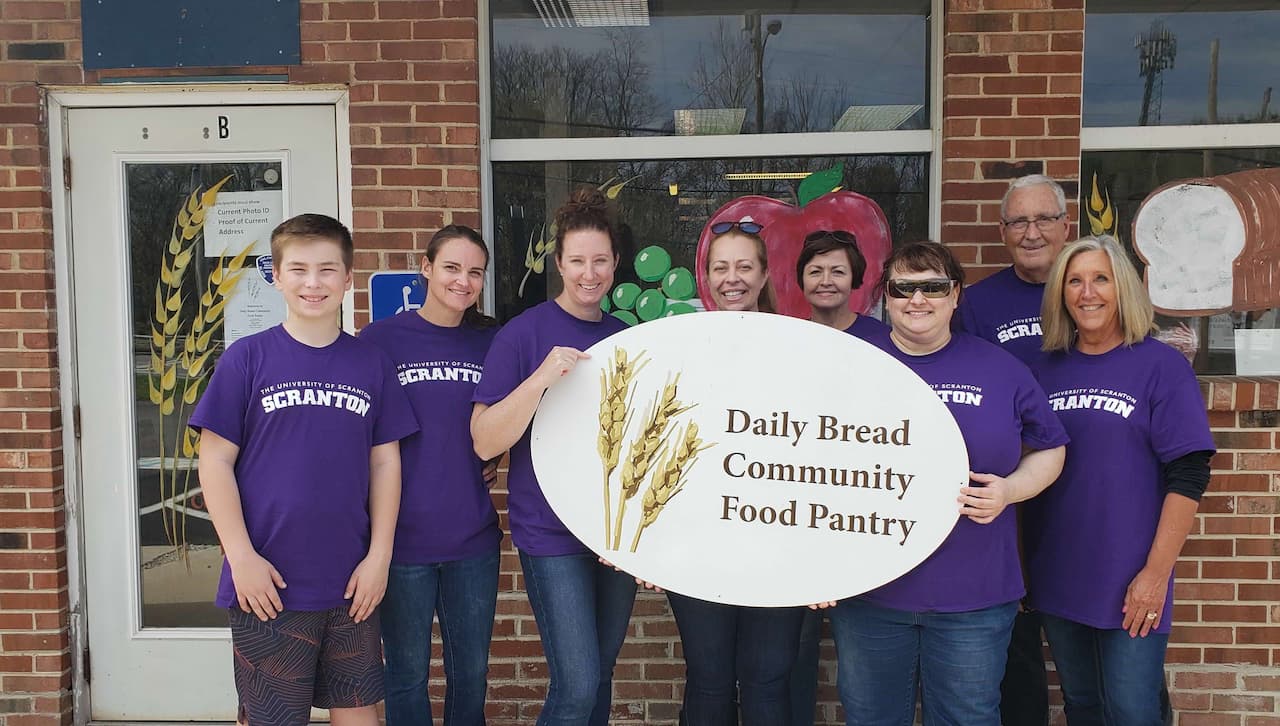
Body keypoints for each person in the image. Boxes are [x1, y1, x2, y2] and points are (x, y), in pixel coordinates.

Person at [825, 241, 1068, 726]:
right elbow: (801, 461)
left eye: (933, 287)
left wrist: (1010, 490)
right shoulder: (847, 366)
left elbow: (1050, 446)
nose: (919, 300)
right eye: (904, 288)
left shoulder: (999, 368)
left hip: (973, 596)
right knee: (872, 718)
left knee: (967, 718)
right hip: (871, 593)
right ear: (885, 298)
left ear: (956, 296)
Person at [190, 214, 419, 726]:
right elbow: (215, 460)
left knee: (361, 715)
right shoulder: (246, 359)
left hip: (350, 582)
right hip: (267, 583)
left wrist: (379, 557)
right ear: (275, 275)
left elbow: (385, 462)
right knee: (273, 718)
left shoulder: (370, 364)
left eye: (326, 270)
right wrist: (240, 556)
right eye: (298, 269)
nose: (312, 283)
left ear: (348, 278)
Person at [1025, 235, 1215, 726]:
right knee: (1082, 705)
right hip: (1059, 569)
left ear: (1123, 288)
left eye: (1101, 279)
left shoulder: (1161, 367)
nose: (1088, 292)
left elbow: (1189, 474)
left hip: (1131, 575)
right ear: (1061, 294)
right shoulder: (1042, 371)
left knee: (1131, 710)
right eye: (1075, 281)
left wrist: (1156, 576)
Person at [470, 188, 636, 726]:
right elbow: (484, 440)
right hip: (551, 532)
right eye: (578, 261)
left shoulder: (627, 338)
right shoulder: (524, 334)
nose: (590, 273)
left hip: (613, 536)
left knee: (601, 679)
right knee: (577, 685)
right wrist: (541, 378)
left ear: (615, 263)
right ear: (559, 263)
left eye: (601, 260)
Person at [359, 225, 501, 726]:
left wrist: (496, 457)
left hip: (473, 540)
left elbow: (502, 421)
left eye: (474, 272)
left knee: (472, 674)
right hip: (401, 545)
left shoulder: (491, 342)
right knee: (405, 675)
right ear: (426, 268)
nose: (462, 281)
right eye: (451, 268)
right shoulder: (380, 340)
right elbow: (362, 434)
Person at [666, 219, 805, 725]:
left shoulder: (803, 349)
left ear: (765, 274)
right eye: (721, 267)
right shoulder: (678, 347)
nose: (733, 278)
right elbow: (655, 445)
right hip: (697, 545)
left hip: (778, 546)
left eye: (745, 266)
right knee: (709, 680)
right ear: (706, 277)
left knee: (769, 680)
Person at [954, 174, 1071, 726]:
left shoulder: (1091, 289)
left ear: (1065, 224)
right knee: (1017, 647)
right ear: (1002, 231)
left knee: (1098, 637)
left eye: (1043, 218)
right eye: (1018, 221)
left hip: (1089, 489)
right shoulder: (978, 303)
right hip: (1009, 497)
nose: (1031, 232)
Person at [788, 228, 888, 725]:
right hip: (793, 520)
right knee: (793, 657)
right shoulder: (787, 340)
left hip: (860, 521)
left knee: (863, 670)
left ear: (856, 280)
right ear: (801, 279)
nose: (826, 281)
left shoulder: (884, 344)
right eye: (816, 270)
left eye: (837, 271)